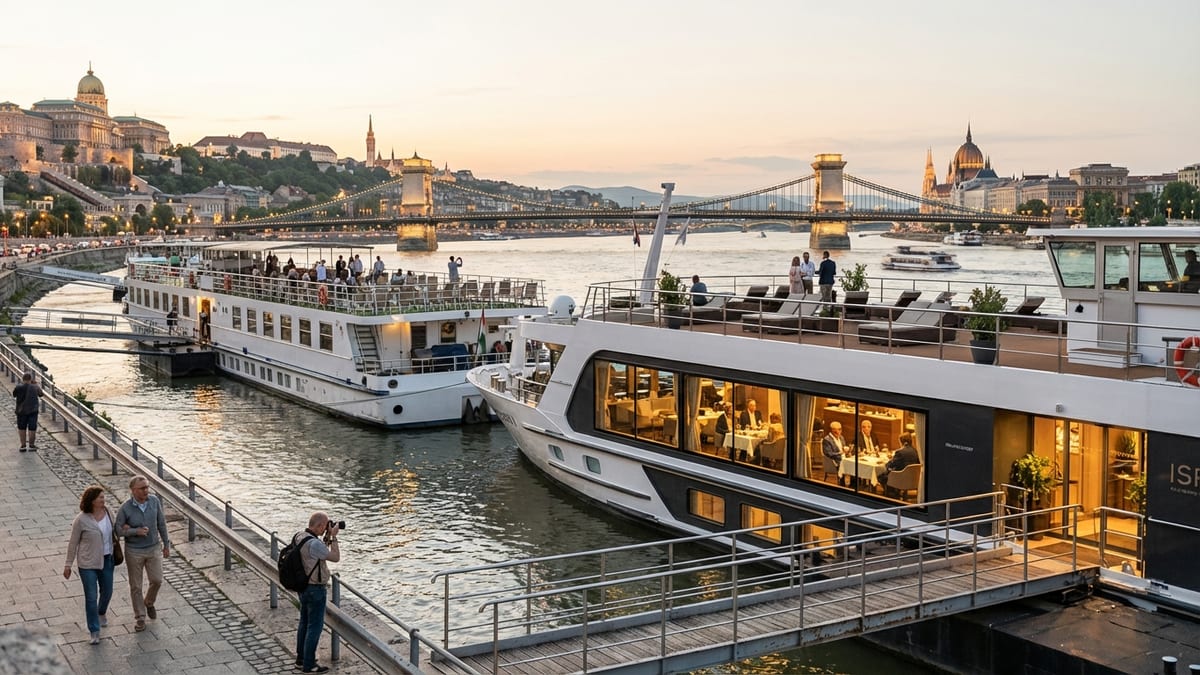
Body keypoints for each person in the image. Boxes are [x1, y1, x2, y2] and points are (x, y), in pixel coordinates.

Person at [115, 475, 170, 633]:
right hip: (134, 551)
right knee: (136, 586)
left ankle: (149, 602)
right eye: (142, 488)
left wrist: (166, 544)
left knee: (157, 580)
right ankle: (140, 617)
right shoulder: (125, 508)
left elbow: (161, 523)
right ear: (133, 490)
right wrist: (135, 531)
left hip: (153, 548)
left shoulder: (154, 501)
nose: (146, 490)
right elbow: (118, 530)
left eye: (147, 487)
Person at [64, 485, 116, 645]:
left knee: (107, 591)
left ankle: (101, 613)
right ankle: (94, 630)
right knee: (91, 597)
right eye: (100, 497)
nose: (103, 499)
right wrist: (68, 565)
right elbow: (73, 543)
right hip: (87, 563)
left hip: (107, 559)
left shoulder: (109, 512)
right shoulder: (81, 519)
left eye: (103, 496)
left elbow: (117, 530)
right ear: (92, 500)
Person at [294, 512, 342, 673]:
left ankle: (300, 659)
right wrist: (334, 537)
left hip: (302, 587)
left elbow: (320, 550)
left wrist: (328, 535)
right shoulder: (315, 544)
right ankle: (309, 664)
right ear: (320, 525)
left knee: (304, 623)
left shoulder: (299, 536)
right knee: (315, 626)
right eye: (326, 525)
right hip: (316, 589)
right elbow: (335, 557)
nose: (326, 528)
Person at [13, 372, 43, 452]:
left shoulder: (18, 387)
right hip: (33, 410)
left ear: (23, 379)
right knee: (32, 428)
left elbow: (14, 394)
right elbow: (41, 394)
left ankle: (23, 445)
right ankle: (31, 445)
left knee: (21, 427)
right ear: (30, 379)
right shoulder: (35, 387)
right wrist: (36, 384)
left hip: (21, 411)